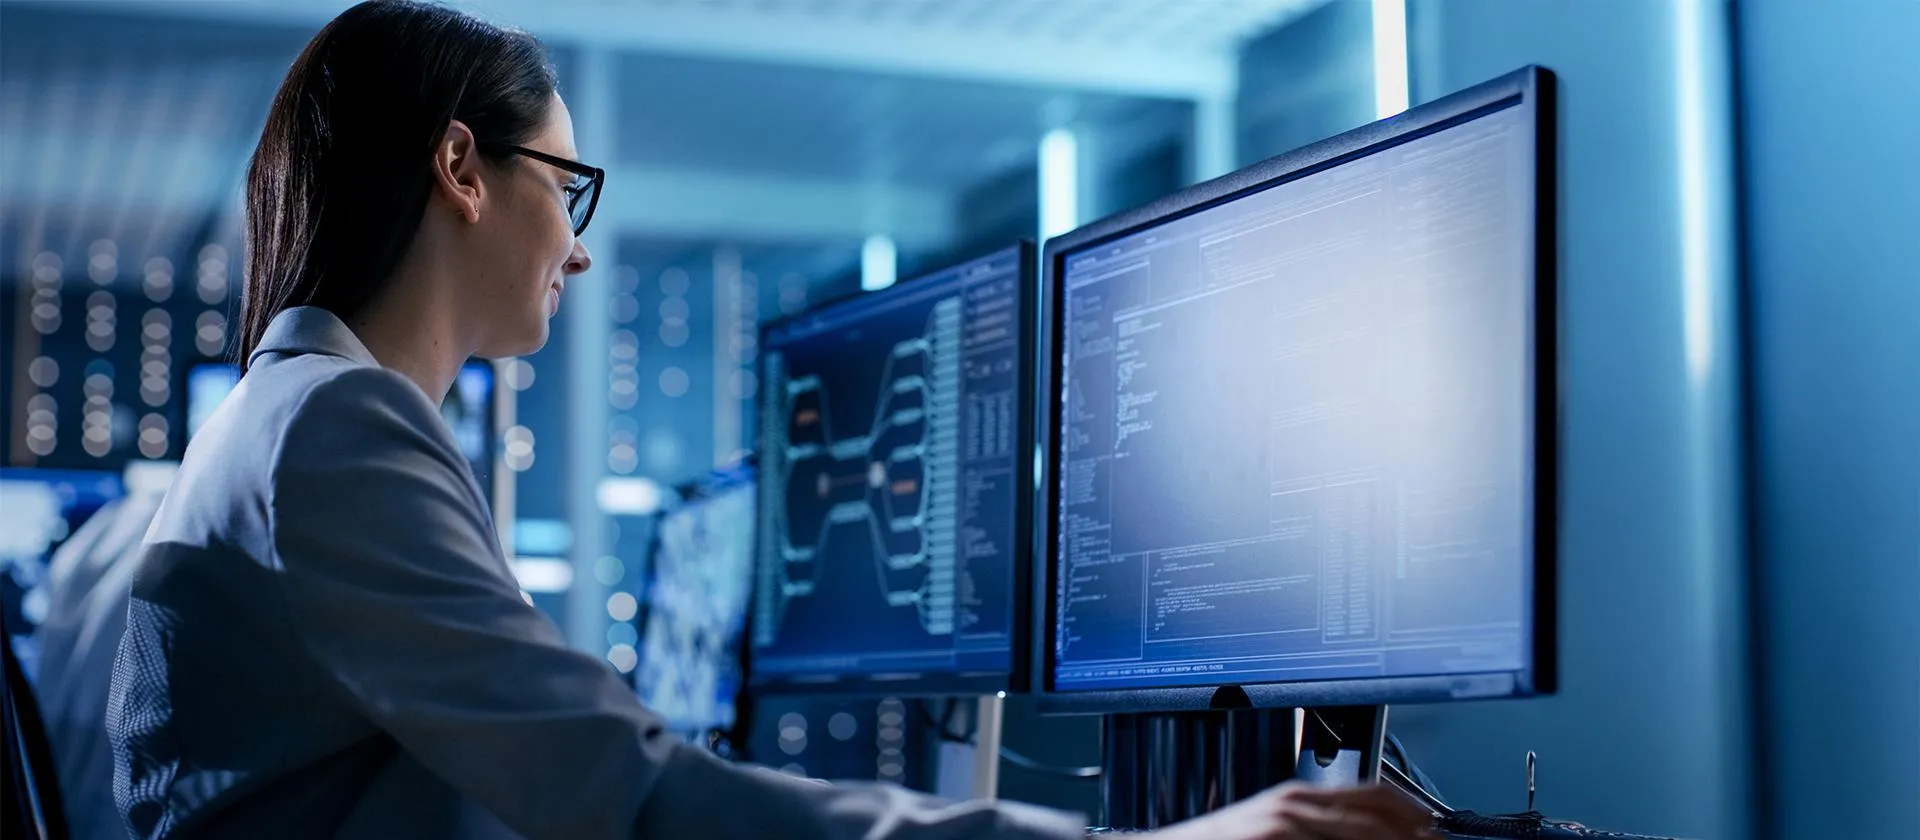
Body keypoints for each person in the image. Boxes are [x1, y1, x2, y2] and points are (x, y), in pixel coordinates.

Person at [105, 3, 1436, 839]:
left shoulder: (290, 419)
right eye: (568, 190)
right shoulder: (337, 432)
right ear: (461, 166)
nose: (576, 254)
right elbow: (624, 795)